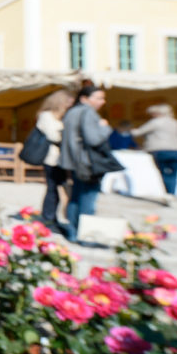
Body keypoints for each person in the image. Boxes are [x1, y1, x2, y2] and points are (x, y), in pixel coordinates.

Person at [59, 86, 112, 242]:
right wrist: (104, 128)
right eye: (98, 98)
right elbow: (94, 139)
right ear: (84, 98)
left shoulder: (71, 112)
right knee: (88, 199)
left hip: (74, 162)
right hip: (87, 162)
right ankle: (86, 235)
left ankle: (73, 232)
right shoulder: (88, 112)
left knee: (75, 197)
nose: (102, 102)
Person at [35, 90, 74, 236]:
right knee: (53, 188)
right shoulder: (46, 116)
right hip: (51, 158)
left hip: (60, 157)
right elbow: (53, 136)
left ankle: (53, 216)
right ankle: (48, 218)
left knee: (58, 188)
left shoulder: (60, 117)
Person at [132, 104, 177, 207]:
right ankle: (172, 195)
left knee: (164, 173)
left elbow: (138, 132)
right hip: (176, 150)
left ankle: (169, 195)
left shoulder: (155, 122)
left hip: (160, 150)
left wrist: (128, 130)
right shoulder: (176, 123)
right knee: (173, 174)